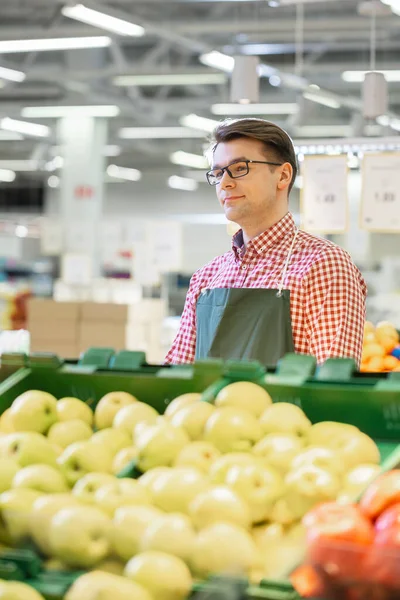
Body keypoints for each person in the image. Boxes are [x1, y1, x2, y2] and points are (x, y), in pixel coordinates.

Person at [165, 118, 367, 367]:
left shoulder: (324, 265)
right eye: (218, 173)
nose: (225, 183)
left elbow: (333, 383)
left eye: (240, 168)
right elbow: (179, 373)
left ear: (282, 176)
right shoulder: (206, 278)